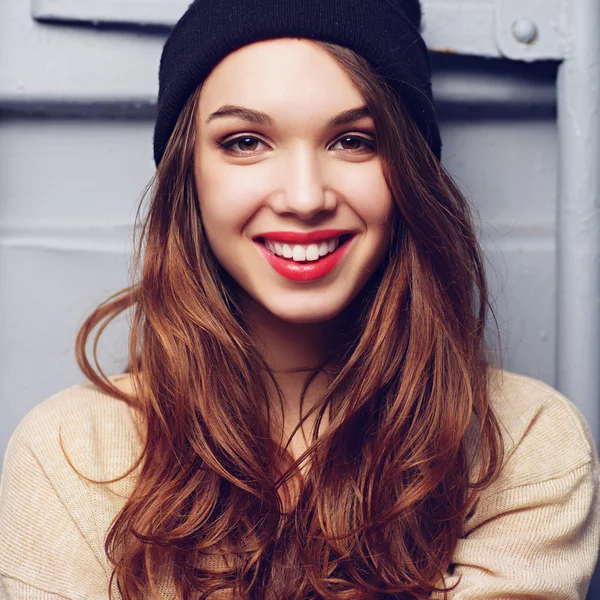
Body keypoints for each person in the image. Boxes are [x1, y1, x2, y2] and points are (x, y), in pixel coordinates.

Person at [0, 0, 599, 598]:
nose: (305, 197)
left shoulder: (524, 440)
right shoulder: (73, 450)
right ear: (189, 174)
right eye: (244, 142)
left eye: (352, 141)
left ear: (410, 171)